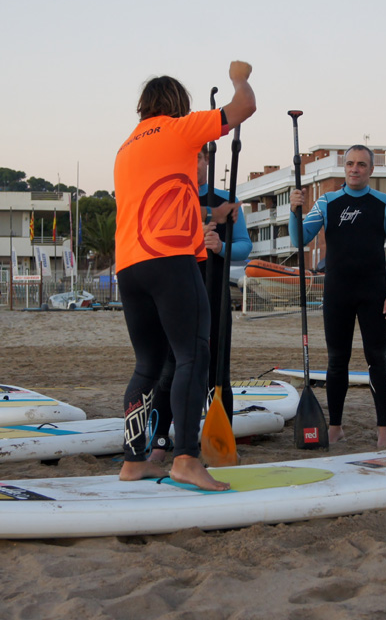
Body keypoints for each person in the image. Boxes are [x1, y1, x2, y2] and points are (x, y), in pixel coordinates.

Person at [113, 61, 255, 491]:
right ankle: (186, 459)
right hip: (169, 261)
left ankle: (133, 461)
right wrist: (239, 77)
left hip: (129, 266)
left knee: (148, 364)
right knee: (194, 355)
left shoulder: (126, 148)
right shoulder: (177, 129)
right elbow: (244, 107)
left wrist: (211, 218)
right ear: (177, 105)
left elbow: (167, 201)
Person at [289, 145, 386, 448]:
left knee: (377, 359)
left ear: (371, 170)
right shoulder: (327, 202)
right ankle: (336, 426)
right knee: (336, 361)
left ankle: (383, 428)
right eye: (351, 163)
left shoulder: (384, 203)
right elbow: (299, 238)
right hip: (337, 292)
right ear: (344, 167)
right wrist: (294, 210)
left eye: (362, 164)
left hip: (374, 293)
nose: (355, 169)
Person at [149, 144, 252, 462]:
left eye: (197, 157)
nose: (192, 164)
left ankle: (221, 444)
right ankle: (159, 444)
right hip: (175, 296)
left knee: (218, 373)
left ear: (207, 160)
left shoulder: (226, 201)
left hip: (214, 295)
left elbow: (245, 246)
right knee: (169, 371)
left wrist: (220, 246)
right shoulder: (168, 199)